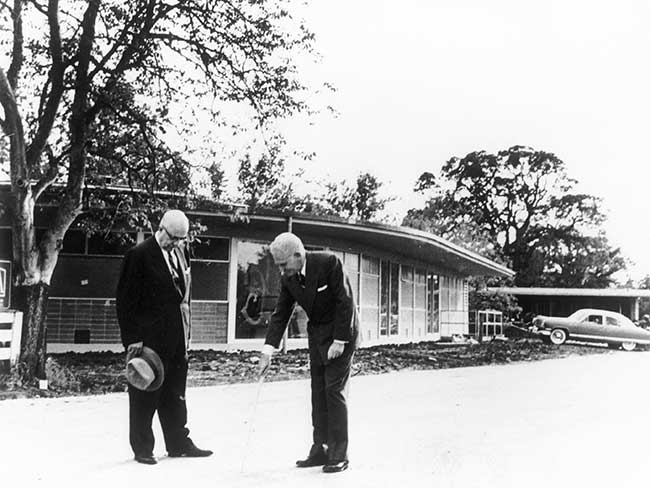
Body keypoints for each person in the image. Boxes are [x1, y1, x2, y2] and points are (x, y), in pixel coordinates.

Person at [116, 209, 212, 465]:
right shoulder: (138, 255)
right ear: (160, 229)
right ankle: (143, 448)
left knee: (175, 394)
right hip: (149, 340)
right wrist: (132, 338)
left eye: (182, 239)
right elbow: (125, 301)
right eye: (174, 238)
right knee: (144, 394)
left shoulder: (180, 254)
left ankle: (179, 442)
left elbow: (182, 295)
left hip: (177, 337)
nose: (177, 243)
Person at [258, 232, 359, 473]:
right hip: (317, 337)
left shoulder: (328, 263)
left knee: (334, 391)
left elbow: (346, 302)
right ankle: (320, 448)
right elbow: (281, 313)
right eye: (279, 266)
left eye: (284, 265)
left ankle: (339, 453)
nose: (282, 271)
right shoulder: (289, 278)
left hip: (341, 335)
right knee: (317, 392)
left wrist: (340, 340)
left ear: (298, 255)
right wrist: (267, 351)